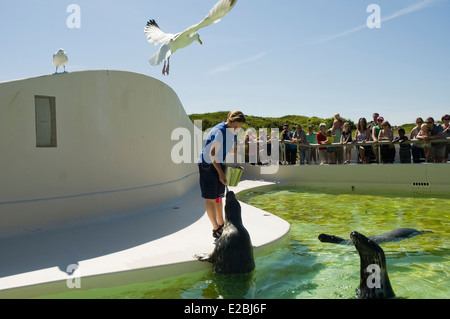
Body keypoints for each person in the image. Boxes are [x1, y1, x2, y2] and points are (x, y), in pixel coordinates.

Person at [198, 111, 246, 239]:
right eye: (236, 126)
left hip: (219, 163)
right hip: (208, 165)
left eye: (239, 127)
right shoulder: (219, 131)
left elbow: (228, 148)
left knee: (219, 197)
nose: (237, 129)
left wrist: (236, 148)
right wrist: (220, 173)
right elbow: (211, 153)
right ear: (229, 121)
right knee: (211, 199)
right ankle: (215, 228)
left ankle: (221, 224)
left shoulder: (232, 131)